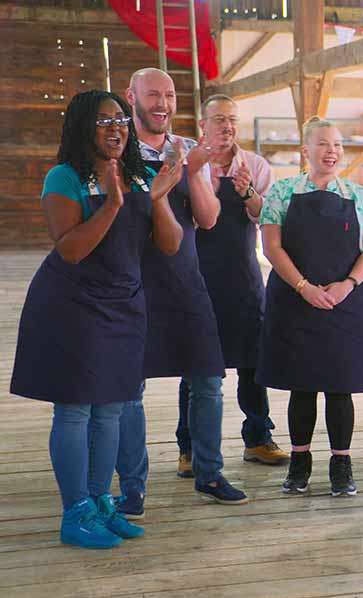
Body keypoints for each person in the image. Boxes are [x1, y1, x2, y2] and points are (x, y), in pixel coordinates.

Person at [10, 90, 183, 548]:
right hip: (73, 307)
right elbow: (70, 248)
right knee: (75, 410)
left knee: (110, 410)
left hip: (124, 306)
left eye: (122, 121)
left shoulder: (138, 175)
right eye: (105, 121)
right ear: (84, 127)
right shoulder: (64, 178)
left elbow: (169, 245)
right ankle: (75, 512)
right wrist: (111, 205)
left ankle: (100, 501)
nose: (116, 128)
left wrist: (160, 199)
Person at [117, 68, 247, 519]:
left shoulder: (188, 148)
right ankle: (133, 488)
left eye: (169, 95)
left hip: (186, 278)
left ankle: (208, 473)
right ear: (130, 96)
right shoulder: (117, 149)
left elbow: (208, 218)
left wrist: (191, 172)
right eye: (152, 93)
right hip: (131, 281)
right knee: (127, 389)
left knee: (209, 379)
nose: (162, 103)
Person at [258, 116, 363, 497]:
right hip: (295, 303)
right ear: (305, 151)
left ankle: (341, 466)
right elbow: (272, 247)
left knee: (340, 387)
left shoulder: (359, 197)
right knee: (302, 387)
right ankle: (299, 465)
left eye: (337, 145)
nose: (332, 151)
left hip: (345, 304)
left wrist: (347, 285)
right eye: (323, 144)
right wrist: (303, 287)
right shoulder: (281, 193)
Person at [173, 94, 287, 469]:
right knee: (198, 366)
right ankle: (188, 448)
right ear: (202, 124)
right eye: (219, 118)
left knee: (253, 363)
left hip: (243, 277)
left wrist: (248, 193)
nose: (227, 126)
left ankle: (258, 437)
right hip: (198, 277)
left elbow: (270, 218)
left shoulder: (254, 164)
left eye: (232, 119)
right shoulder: (189, 165)